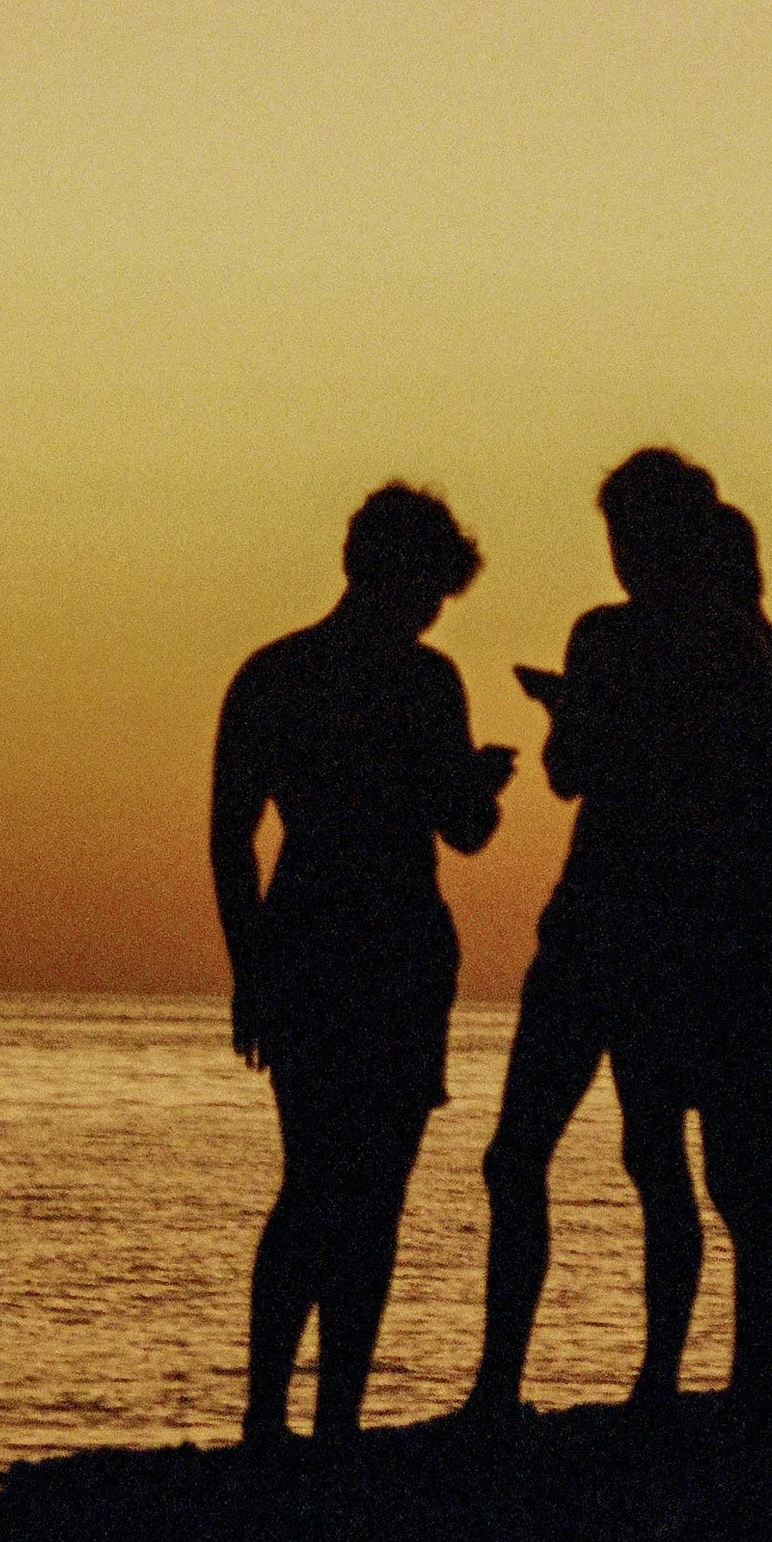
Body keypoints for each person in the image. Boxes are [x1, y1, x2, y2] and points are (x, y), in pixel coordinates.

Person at [466, 452, 772, 1426]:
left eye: (633, 540)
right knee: (691, 1169)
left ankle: (519, 1387)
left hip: (625, 935)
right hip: (696, 944)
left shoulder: (627, 642)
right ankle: (694, 1383)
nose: (627, 560)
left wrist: (580, 713)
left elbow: (571, 771)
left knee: (590, 1159)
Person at [209, 484, 514, 1448]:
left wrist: (249, 968)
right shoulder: (426, 684)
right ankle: (332, 1415)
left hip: (304, 939)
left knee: (310, 1181)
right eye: (429, 590)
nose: (431, 612)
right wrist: (484, 785)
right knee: (372, 1193)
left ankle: (270, 1412)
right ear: (403, 579)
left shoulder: (271, 673)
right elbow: (463, 832)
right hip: (395, 944)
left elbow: (230, 838)